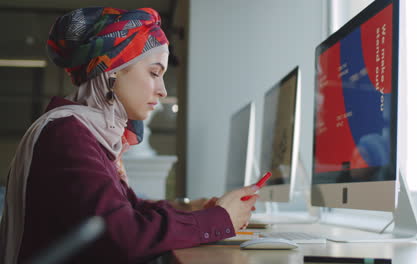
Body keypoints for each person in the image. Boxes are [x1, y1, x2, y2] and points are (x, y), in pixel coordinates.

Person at [0, 7, 258, 264]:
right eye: (154, 73)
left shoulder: (83, 131)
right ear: (112, 71)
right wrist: (219, 219)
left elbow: (131, 207)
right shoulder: (68, 135)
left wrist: (198, 211)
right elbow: (126, 236)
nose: (163, 91)